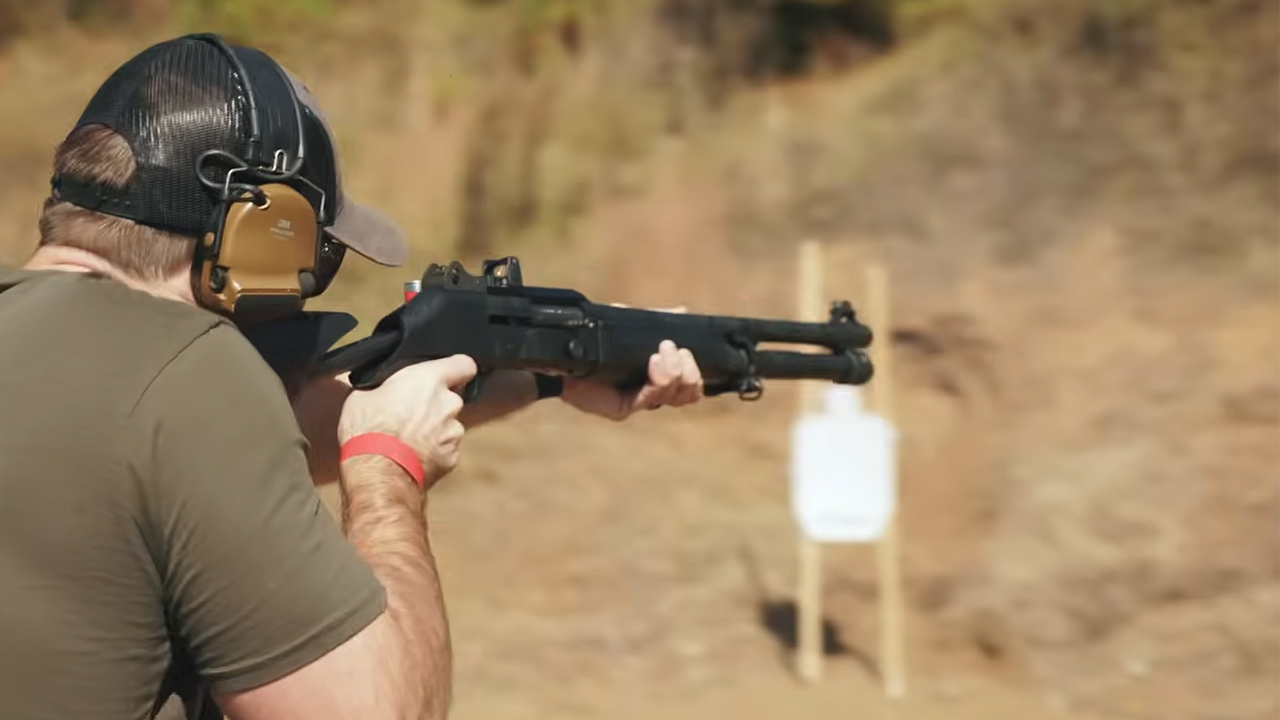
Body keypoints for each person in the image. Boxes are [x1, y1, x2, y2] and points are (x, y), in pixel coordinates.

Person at [0, 34, 703, 720]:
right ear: (260, 231)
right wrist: (387, 471)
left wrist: (546, 373)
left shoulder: (99, 369)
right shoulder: (195, 370)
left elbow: (259, 436)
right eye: (314, 252)